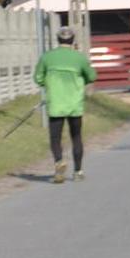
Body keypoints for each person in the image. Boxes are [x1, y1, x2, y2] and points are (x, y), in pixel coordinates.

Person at [33, 27, 97, 184]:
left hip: (56, 103)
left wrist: (49, 84)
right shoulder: (79, 58)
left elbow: (38, 78)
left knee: (55, 137)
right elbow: (92, 76)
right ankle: (78, 172)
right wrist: (80, 82)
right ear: (73, 40)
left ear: (58, 39)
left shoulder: (47, 57)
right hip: (75, 104)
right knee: (76, 136)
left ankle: (59, 161)